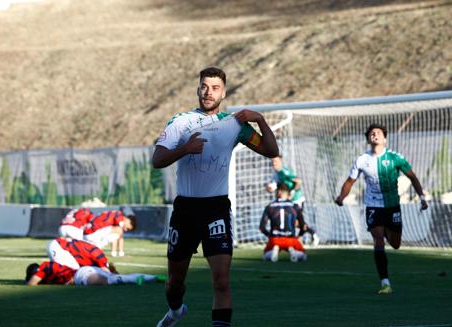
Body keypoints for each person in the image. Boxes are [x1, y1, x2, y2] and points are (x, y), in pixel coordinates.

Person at [152, 66, 278, 327]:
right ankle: (175, 312)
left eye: (215, 88)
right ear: (198, 89)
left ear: (224, 93)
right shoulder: (180, 121)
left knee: (221, 281)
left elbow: (271, 150)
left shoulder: (235, 125)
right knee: (175, 283)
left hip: (216, 209)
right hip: (185, 209)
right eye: (204, 87)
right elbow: (158, 159)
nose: (209, 92)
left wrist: (261, 121)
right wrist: (185, 148)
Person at [335, 123, 428, 294]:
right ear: (368, 139)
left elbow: (413, 178)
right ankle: (385, 283)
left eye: (378, 133)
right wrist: (341, 197)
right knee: (378, 240)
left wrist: (422, 197)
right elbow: (349, 182)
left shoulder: (395, 158)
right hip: (373, 205)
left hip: (392, 205)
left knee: (396, 244)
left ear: (385, 139)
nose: (374, 135)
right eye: (371, 133)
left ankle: (387, 231)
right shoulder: (362, 160)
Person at [266, 155, 320, 246]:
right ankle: (299, 238)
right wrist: (269, 188)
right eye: (273, 161)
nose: (274, 163)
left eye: (276, 161)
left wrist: (292, 192)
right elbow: (274, 186)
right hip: (287, 201)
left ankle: (311, 235)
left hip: (296, 200)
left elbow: (299, 181)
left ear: (281, 162)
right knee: (291, 221)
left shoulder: (285, 172)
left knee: (295, 222)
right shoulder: (275, 174)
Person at [260, 183, 307, 263]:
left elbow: (262, 227)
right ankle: (294, 252)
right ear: (288, 194)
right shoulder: (295, 206)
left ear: (278, 192)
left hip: (275, 239)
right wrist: (299, 235)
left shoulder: (270, 206)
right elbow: (304, 226)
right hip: (291, 239)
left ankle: (274, 251)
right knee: (303, 255)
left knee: (265, 255)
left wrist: (270, 236)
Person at [25, 261, 165, 286]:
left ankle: (134, 280)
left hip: (81, 275)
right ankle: (153, 277)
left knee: (107, 282)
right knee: (112, 278)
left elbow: (32, 283)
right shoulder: (48, 269)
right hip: (86, 269)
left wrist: (28, 281)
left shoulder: (43, 268)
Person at [47, 236, 112, 272]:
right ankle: (41, 272)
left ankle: (41, 271)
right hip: (60, 247)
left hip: (57, 244)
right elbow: (106, 272)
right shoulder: (100, 257)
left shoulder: (94, 250)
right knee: (73, 272)